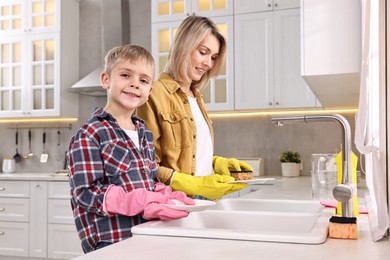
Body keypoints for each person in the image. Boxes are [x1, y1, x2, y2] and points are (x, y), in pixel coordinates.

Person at [67, 44, 194, 253]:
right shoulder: (90, 134)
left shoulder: (144, 132)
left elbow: (149, 180)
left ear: (149, 91)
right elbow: (86, 193)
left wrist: (167, 196)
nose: (135, 84)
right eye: (126, 75)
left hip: (146, 236)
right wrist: (138, 200)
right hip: (110, 243)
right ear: (106, 79)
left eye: (143, 80)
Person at [137, 16, 253, 200]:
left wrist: (217, 163)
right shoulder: (153, 94)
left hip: (206, 199)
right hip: (179, 202)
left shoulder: (196, 97)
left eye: (213, 57)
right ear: (184, 46)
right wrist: (195, 185)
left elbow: (191, 154)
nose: (208, 63)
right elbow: (145, 165)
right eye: (203, 52)